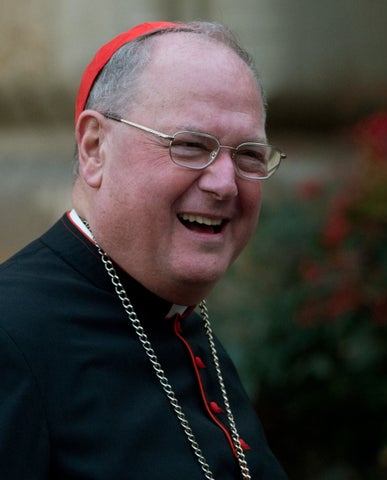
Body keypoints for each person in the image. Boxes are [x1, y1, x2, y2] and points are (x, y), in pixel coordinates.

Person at [0, 21, 288, 479]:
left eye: (250, 155)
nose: (225, 184)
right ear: (95, 149)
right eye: (191, 146)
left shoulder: (190, 329)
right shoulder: (10, 335)